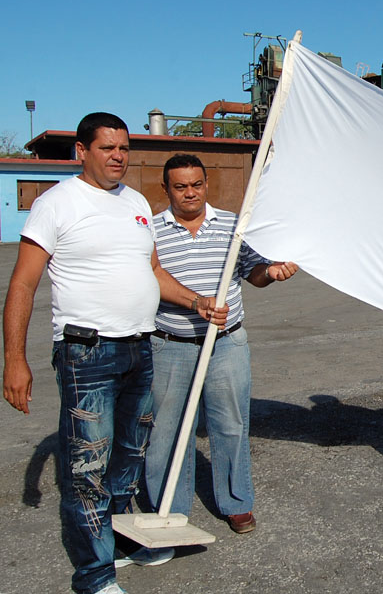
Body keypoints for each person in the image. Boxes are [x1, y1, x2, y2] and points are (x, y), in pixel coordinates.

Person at [2, 113, 227, 594]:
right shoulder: (56, 204)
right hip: (87, 353)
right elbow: (23, 283)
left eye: (123, 148)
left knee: (128, 456)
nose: (118, 156)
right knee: (87, 466)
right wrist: (14, 360)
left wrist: (196, 301)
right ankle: (94, 576)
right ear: (81, 152)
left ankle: (121, 541)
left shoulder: (137, 203)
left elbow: (151, 272)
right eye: (106, 148)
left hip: (138, 347)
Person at [145, 154, 298, 534]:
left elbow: (254, 274)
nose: (190, 193)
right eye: (180, 187)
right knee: (167, 429)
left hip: (227, 345)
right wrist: (196, 303)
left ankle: (235, 502)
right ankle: (170, 507)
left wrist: (273, 272)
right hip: (171, 343)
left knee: (230, 424)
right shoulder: (150, 231)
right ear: (165, 189)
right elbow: (150, 277)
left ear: (206, 184)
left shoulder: (232, 227)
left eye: (196, 185)